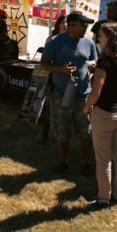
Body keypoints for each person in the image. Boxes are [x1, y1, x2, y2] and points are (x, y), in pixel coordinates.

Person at [83, 23, 117, 209]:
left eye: (101, 35)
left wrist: (87, 107)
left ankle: (104, 199)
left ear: (110, 37)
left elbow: (95, 93)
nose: (98, 38)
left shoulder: (105, 62)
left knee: (103, 160)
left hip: (105, 115)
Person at [40, 11, 97, 176]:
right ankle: (63, 161)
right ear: (71, 24)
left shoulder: (89, 42)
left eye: (87, 24)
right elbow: (44, 64)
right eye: (83, 24)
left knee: (86, 130)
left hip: (83, 95)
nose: (86, 27)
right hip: (61, 94)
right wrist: (60, 69)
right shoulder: (55, 41)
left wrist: (93, 66)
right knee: (62, 129)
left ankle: (86, 163)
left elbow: (93, 60)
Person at [41, 14, 68, 145]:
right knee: (50, 107)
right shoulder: (51, 39)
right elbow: (46, 62)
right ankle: (45, 133)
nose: (66, 24)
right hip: (53, 77)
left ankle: (62, 134)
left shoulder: (73, 39)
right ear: (58, 25)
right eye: (63, 22)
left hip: (69, 78)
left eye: (68, 22)